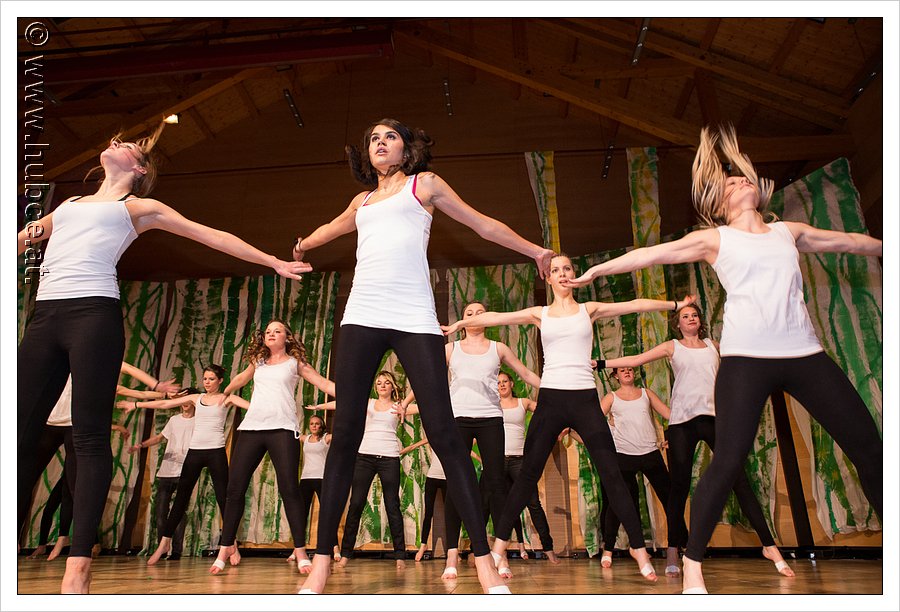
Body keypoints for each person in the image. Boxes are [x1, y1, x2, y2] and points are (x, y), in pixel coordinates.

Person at [562, 125, 883, 594]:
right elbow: (651, 254)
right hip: (746, 360)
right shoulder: (716, 239)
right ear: (719, 204)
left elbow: (850, 242)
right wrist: (596, 271)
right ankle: (692, 563)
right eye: (730, 182)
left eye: (743, 177)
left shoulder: (788, 232)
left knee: (869, 447)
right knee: (729, 459)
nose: (741, 181)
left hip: (804, 354)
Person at [17, 124, 312, 593]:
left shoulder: (138, 208)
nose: (115, 142)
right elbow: (21, 239)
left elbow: (211, 235)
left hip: (93, 315)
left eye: (127, 144)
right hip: (45, 317)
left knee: (89, 437)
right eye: (113, 139)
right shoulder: (68, 205)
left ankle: (78, 563)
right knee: (17, 432)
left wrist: (272, 262)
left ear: (139, 168)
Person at [293, 118, 554, 595]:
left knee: (445, 435)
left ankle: (482, 560)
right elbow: (331, 228)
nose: (380, 143)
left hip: (414, 317)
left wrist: (534, 249)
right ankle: (322, 561)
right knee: (345, 433)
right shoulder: (362, 201)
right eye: (373, 138)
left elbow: (481, 223)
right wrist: (303, 245)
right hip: (361, 316)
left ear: (406, 148)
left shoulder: (424, 185)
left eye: (389, 136)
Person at [443, 253, 696, 582]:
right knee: (527, 476)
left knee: (612, 474)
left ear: (575, 275)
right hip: (551, 399)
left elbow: (634, 305)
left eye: (567, 269)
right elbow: (497, 317)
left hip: (584, 399)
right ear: (548, 278)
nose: (562, 274)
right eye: (556, 270)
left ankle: (638, 548)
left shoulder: (589, 309)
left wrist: (675, 304)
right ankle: (500, 546)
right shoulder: (541, 313)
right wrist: (461, 324)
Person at [605, 303, 793, 577]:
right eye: (685, 316)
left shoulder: (714, 346)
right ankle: (673, 549)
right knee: (678, 488)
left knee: (739, 480)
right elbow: (636, 359)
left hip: (714, 419)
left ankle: (769, 545)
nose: (691, 318)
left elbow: (743, 362)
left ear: (700, 322)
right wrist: (600, 363)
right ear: (678, 323)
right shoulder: (672, 347)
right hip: (682, 423)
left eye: (694, 315)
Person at [409, 301, 541, 580]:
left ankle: (500, 555)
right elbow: (426, 377)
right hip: (458, 419)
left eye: (480, 312)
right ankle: (452, 555)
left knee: (496, 484)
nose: (475, 317)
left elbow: (526, 374)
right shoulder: (451, 349)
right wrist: (407, 401)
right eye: (469, 313)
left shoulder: (498, 348)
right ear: (463, 320)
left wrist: (556, 387)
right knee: (457, 483)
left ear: (489, 317)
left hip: (491, 419)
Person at [208, 319, 335, 575]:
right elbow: (242, 378)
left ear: (287, 337)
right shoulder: (258, 362)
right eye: (268, 331)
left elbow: (322, 382)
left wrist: (352, 396)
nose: (271, 334)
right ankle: (226, 546)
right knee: (234, 489)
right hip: (252, 428)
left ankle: (300, 550)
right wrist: (227, 390)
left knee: (289, 489)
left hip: (282, 429)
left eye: (277, 331)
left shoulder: (295, 363)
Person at [18, 363, 176, 553]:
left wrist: (159, 388)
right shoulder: (59, 365)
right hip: (48, 425)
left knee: (74, 488)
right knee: (23, 481)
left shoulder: (97, 377)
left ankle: (80, 542)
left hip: (74, 427)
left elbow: (133, 382)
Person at [120, 365, 232, 566]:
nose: (207, 382)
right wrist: (136, 405)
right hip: (194, 454)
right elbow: (164, 404)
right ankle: (164, 544)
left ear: (220, 381)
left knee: (224, 498)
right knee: (180, 500)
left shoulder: (225, 398)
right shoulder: (195, 399)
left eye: (211, 379)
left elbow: (251, 404)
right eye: (205, 379)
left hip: (216, 451)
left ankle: (231, 545)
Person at [310, 371, 409, 569]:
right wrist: (320, 407)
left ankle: (400, 555)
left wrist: (406, 404)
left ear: (392, 387)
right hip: (365, 457)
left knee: (392, 505)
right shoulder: (368, 403)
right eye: (379, 383)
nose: (382, 386)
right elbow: (343, 403)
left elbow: (423, 406)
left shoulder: (398, 407)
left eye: (386, 383)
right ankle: (346, 554)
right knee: (356, 504)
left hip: (389, 458)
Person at [591, 366, 672, 570]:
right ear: (616, 376)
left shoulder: (646, 393)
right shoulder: (611, 398)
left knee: (671, 500)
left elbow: (668, 413)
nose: (627, 372)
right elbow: (593, 422)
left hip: (650, 453)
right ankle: (608, 550)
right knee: (617, 504)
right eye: (622, 370)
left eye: (630, 369)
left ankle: (680, 545)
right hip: (624, 456)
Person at [125, 389, 198, 562]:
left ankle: (177, 551)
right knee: (160, 512)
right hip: (166, 472)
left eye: (188, 399)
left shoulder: (199, 421)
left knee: (179, 512)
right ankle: (162, 548)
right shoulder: (174, 420)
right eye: (181, 399)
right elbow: (159, 438)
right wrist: (140, 445)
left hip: (185, 472)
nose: (184, 402)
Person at [496, 371, 559, 565]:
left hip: (519, 461)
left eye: (505, 381)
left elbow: (547, 412)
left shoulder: (523, 402)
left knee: (533, 504)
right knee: (498, 505)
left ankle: (548, 548)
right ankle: (497, 553)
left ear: (511, 384)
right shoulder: (493, 404)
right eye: (498, 383)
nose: (502, 385)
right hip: (499, 461)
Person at [284, 414, 334, 573]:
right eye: (312, 423)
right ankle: (297, 549)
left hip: (321, 479)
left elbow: (341, 434)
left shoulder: (326, 438)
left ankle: (335, 548)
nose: (314, 426)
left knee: (327, 513)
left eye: (317, 424)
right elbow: (291, 433)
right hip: (306, 479)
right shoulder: (304, 439)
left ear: (321, 426)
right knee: (301, 514)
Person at [399, 437, 447, 563]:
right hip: (432, 477)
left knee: (450, 514)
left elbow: (469, 450)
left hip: (447, 479)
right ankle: (423, 545)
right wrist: (396, 452)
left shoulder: (454, 437)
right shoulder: (432, 437)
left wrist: (481, 459)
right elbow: (413, 446)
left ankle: (452, 549)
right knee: (428, 513)